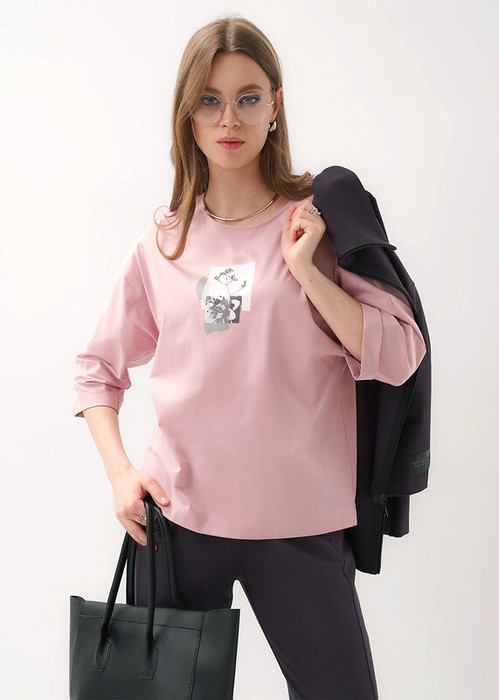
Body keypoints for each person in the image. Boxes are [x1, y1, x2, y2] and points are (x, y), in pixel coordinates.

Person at [73, 16, 426, 700]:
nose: (228, 118)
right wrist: (120, 475)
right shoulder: (164, 242)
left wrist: (309, 273)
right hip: (178, 523)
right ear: (188, 113)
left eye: (247, 97)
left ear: (275, 105)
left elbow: (400, 353)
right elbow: (96, 368)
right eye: (209, 100)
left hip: (299, 525)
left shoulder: (318, 222)